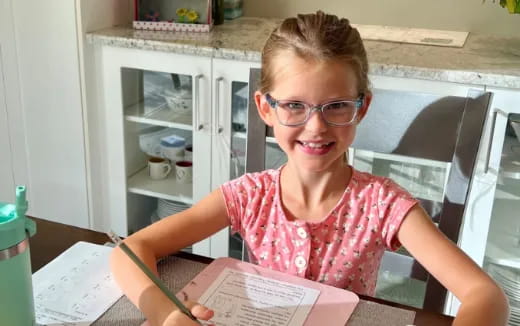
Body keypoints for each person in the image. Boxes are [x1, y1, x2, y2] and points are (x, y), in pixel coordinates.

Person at [111, 11, 509, 326]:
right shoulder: (249, 196)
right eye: (294, 106)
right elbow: (130, 251)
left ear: (362, 108)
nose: (316, 126)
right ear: (266, 107)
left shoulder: (384, 205)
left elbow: (485, 296)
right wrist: (165, 313)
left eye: (336, 105)